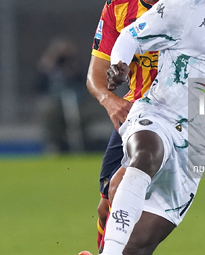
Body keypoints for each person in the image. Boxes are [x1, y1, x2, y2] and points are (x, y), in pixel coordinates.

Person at [99, 0, 205, 254]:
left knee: (138, 246)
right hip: (159, 113)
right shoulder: (182, 7)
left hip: (197, 144)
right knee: (145, 154)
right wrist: (120, 65)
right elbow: (130, 36)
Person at [86, 0, 160, 252]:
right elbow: (96, 72)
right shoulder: (118, 7)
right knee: (105, 207)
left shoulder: (188, 6)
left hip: (175, 118)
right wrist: (109, 100)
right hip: (135, 113)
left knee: (121, 192)